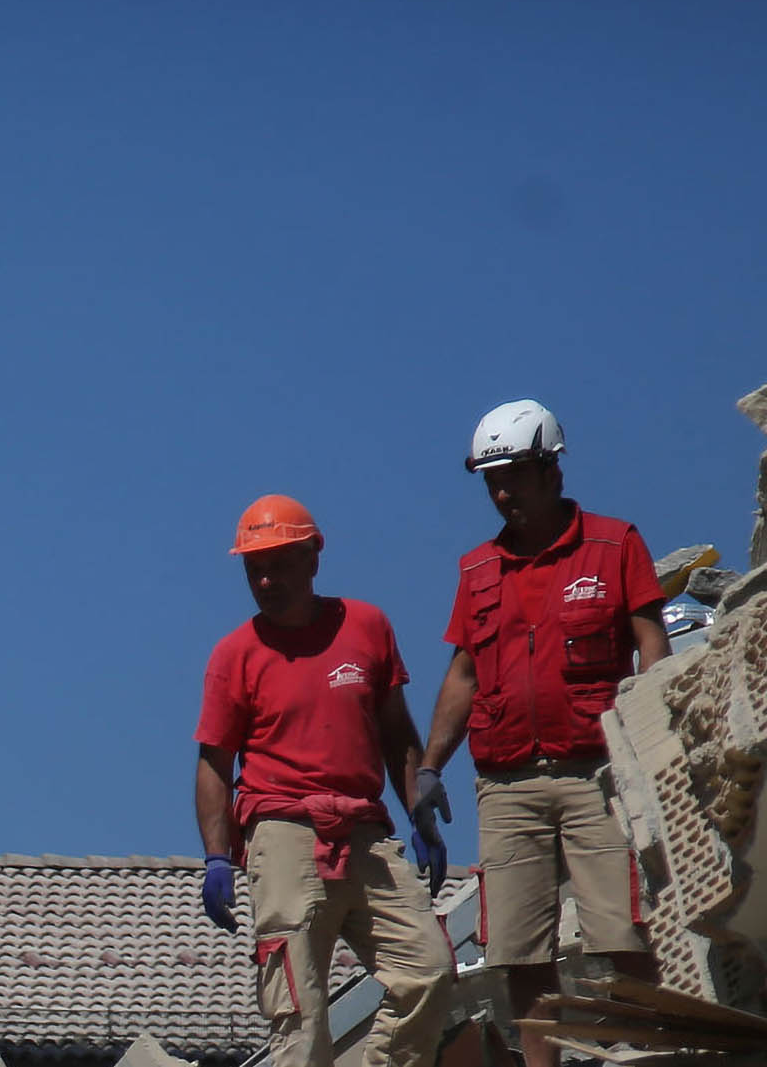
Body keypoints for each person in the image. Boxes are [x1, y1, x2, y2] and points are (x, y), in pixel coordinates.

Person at [413, 399, 670, 1067]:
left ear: (552, 470)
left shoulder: (613, 544)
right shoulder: (477, 570)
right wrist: (430, 767)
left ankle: (642, 1054)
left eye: (515, 476)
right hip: (506, 785)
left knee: (622, 932)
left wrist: (649, 738)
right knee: (518, 949)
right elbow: (464, 672)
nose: (502, 493)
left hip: (598, 774)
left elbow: (651, 642)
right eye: (492, 481)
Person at [196, 495, 454, 1067]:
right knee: (299, 1013)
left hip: (363, 832)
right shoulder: (234, 655)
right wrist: (217, 858)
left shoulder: (366, 627)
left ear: (314, 556)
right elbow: (214, 764)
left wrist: (420, 813)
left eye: (278, 564)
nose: (265, 579)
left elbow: (396, 732)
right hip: (284, 835)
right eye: (253, 569)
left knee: (430, 972)